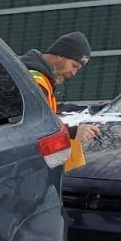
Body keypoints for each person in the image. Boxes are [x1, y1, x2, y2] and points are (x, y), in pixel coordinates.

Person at [20, 32, 101, 170]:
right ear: (60, 55)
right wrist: (73, 133)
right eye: (74, 65)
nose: (74, 73)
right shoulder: (36, 82)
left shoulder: (38, 77)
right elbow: (35, 127)